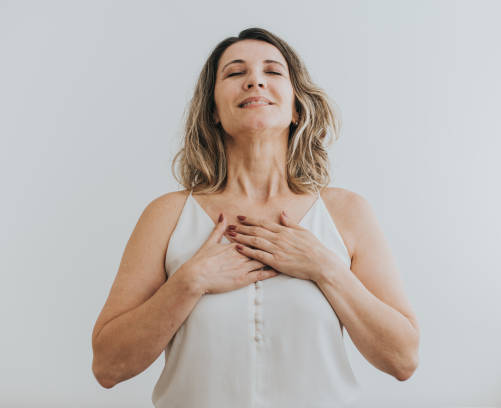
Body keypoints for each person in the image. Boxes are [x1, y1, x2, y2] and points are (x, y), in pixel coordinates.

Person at [91, 27, 420, 407]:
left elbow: (403, 359)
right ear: (213, 109)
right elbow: (108, 366)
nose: (255, 80)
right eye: (234, 73)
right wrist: (190, 281)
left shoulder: (348, 213)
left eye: (273, 71)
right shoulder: (166, 215)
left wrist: (324, 268)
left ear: (297, 106)